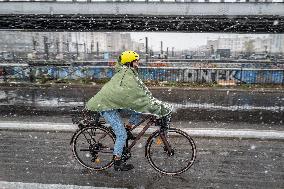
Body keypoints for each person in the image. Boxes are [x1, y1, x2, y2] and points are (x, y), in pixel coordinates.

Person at [85, 50, 172, 171]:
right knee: (121, 135)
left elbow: (143, 95)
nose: (138, 63)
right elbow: (139, 97)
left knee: (137, 110)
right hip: (106, 107)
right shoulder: (127, 75)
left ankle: (129, 127)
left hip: (112, 103)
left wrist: (156, 105)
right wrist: (156, 108)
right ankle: (117, 161)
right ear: (129, 62)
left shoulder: (129, 73)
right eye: (136, 61)